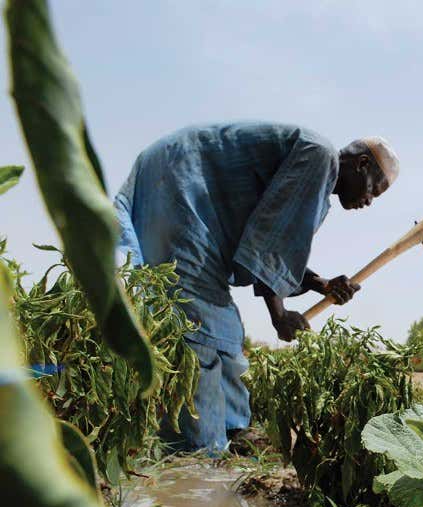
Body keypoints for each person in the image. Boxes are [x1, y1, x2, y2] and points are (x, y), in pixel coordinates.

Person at [113, 122, 399, 452]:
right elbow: (270, 241)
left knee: (226, 332)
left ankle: (233, 436)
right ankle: (199, 455)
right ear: (362, 163)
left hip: (174, 181)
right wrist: (279, 316)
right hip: (181, 186)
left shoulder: (316, 170)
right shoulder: (321, 158)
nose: (368, 201)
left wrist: (320, 284)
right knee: (198, 331)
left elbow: (265, 239)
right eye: (373, 190)